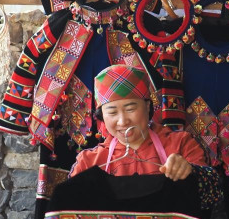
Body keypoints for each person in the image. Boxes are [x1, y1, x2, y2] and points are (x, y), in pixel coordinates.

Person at [70, 64, 208, 180]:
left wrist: (191, 171)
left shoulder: (181, 144)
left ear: (147, 106)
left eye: (130, 109)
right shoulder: (88, 162)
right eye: (112, 112)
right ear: (102, 116)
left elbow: (213, 195)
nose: (123, 121)